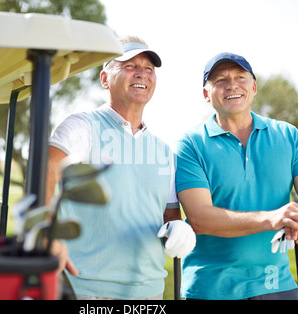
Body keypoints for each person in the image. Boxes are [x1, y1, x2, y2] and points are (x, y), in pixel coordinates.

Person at [45, 36, 196, 300]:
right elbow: (43, 173)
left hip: (150, 293)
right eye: (129, 65)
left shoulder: (163, 150)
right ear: (105, 78)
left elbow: (168, 215)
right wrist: (47, 235)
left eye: (149, 68)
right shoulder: (82, 126)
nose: (142, 73)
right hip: (86, 292)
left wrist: (178, 229)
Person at [175, 52, 298, 300]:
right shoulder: (190, 144)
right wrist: (271, 219)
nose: (232, 84)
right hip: (211, 288)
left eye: (240, 77)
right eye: (220, 80)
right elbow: (199, 217)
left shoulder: (288, 135)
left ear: (253, 87)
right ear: (206, 94)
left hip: (278, 285)